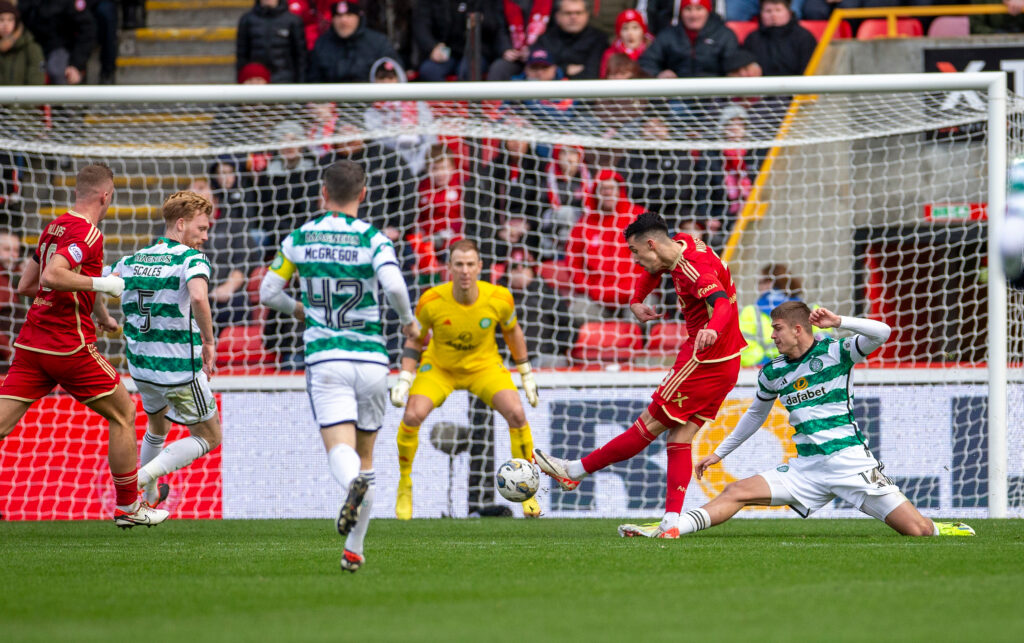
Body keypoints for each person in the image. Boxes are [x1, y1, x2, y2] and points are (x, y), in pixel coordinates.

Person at [620, 302, 977, 538]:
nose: (771, 335)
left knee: (917, 531)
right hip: (807, 468)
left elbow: (882, 332)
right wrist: (720, 453)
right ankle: (672, 527)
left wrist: (839, 322)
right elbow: (755, 415)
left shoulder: (837, 351)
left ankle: (944, 528)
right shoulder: (773, 372)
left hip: (850, 464)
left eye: (776, 329)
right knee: (737, 491)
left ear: (798, 329)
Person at [535, 212, 746, 537]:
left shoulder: (694, 268)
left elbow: (723, 305)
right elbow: (654, 269)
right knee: (679, 438)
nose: (635, 259)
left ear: (650, 244)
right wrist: (636, 299)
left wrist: (713, 331)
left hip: (705, 359)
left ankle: (574, 471)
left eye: (635, 252)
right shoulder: (682, 246)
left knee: (647, 425)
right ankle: (671, 524)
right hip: (727, 362)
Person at [259, 159, 418, 572]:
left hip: (327, 358)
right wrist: (409, 322)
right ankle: (354, 548)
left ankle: (352, 486)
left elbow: (267, 291)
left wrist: (300, 310)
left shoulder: (301, 237)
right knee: (366, 459)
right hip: (371, 362)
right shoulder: (374, 238)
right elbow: (395, 285)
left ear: (322, 193)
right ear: (363, 194)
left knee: (342, 455)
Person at [0, 163, 168, 528]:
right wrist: (103, 285)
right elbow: (51, 276)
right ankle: (128, 507)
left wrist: (100, 314)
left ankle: (130, 506)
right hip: (67, 346)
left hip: (32, 343)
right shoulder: (88, 233)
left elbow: (28, 286)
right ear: (106, 196)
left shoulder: (54, 227)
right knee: (124, 414)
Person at [390, 239, 542, 519]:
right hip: (440, 368)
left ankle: (527, 491)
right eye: (458, 264)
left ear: (480, 267)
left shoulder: (498, 297)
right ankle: (405, 484)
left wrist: (526, 373)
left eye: (470, 264)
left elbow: (513, 332)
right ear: (448, 267)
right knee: (412, 416)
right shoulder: (431, 300)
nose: (465, 271)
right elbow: (415, 339)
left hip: (483, 366)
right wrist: (404, 377)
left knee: (517, 414)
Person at [107, 191, 221, 508]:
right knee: (210, 436)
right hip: (179, 370)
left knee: (158, 425)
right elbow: (199, 297)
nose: (205, 235)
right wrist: (209, 342)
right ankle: (138, 479)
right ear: (181, 224)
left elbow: (94, 282)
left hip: (141, 368)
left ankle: (149, 495)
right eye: (201, 228)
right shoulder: (191, 260)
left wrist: (101, 318)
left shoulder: (131, 261)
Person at [638, 0, 738, 79]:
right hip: (677, 96)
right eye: (688, 9)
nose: (693, 15)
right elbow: (647, 62)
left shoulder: (724, 35)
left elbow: (734, 66)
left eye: (699, 9)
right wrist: (658, 74)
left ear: (708, 11)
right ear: (681, 12)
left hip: (716, 97)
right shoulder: (668, 35)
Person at [307, 0, 398, 83]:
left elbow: (393, 76)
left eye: (349, 15)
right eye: (339, 16)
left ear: (358, 17)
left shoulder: (378, 43)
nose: (343, 20)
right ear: (333, 19)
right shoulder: (322, 45)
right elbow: (313, 80)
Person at [17, 0, 95, 85]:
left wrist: (76, 65)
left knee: (57, 72)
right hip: (30, 45)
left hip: (60, 48)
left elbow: (87, 31)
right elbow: (16, 20)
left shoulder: (69, 3)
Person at [740, 262, 802, 367]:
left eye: (761, 282)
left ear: (772, 282)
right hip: (764, 371)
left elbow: (820, 340)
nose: (759, 287)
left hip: (800, 369)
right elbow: (743, 346)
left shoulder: (808, 309)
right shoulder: (751, 311)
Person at [533, 0, 609, 80]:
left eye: (578, 13)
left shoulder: (599, 39)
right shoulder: (545, 39)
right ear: (557, 16)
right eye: (568, 13)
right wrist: (565, 69)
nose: (573, 17)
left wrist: (557, 70)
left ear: (587, 15)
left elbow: (593, 73)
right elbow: (538, 72)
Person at [236, 0, 308, 83]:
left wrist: (301, 83)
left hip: (285, 80)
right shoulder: (247, 20)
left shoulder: (293, 21)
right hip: (256, 81)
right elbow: (242, 55)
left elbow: (300, 57)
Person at [741, 0, 816, 77]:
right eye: (768, 11)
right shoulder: (752, 39)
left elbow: (810, 69)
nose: (773, 15)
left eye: (778, 10)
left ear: (789, 13)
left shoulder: (804, 37)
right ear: (761, 14)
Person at [486, 0, 554, 81]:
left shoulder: (551, 3)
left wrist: (533, 50)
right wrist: (506, 49)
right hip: (514, 55)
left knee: (543, 69)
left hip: (543, 54)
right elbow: (499, 28)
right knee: (499, 68)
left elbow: (554, 31)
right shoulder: (502, 2)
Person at [599, 8, 653, 78]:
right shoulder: (610, 55)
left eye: (635, 28)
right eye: (625, 28)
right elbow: (603, 79)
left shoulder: (653, 52)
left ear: (643, 30)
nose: (630, 33)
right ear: (619, 33)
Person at [0, 1, 44, 86]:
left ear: (15, 22)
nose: (6, 25)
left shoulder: (30, 47)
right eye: (1, 20)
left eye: (10, 19)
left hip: (23, 98)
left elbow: (36, 78)